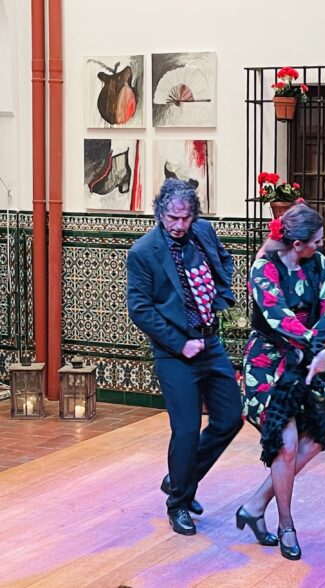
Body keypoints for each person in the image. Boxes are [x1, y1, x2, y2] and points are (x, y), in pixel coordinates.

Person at [126, 178, 243, 535]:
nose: (178, 225)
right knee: (188, 429)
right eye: (172, 217)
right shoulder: (143, 251)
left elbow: (224, 261)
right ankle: (178, 502)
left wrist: (220, 297)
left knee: (230, 418)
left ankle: (180, 477)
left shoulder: (203, 232)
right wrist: (180, 343)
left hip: (211, 344)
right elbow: (140, 310)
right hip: (175, 353)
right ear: (160, 212)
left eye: (185, 217)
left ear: (194, 215)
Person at [239, 201, 325, 561]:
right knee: (285, 444)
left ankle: (255, 504)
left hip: (299, 361)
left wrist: (314, 346)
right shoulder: (263, 268)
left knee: (313, 442)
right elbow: (279, 318)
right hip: (267, 362)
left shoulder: (317, 263)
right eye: (316, 241)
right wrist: (316, 347)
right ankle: (286, 525)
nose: (320, 246)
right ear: (296, 244)